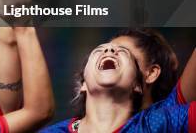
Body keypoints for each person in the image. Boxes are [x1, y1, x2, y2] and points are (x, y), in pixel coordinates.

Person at [42, 42, 195, 132]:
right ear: (83, 84)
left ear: (137, 85)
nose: (109, 50)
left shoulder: (159, 123)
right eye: (98, 50)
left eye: (123, 52)